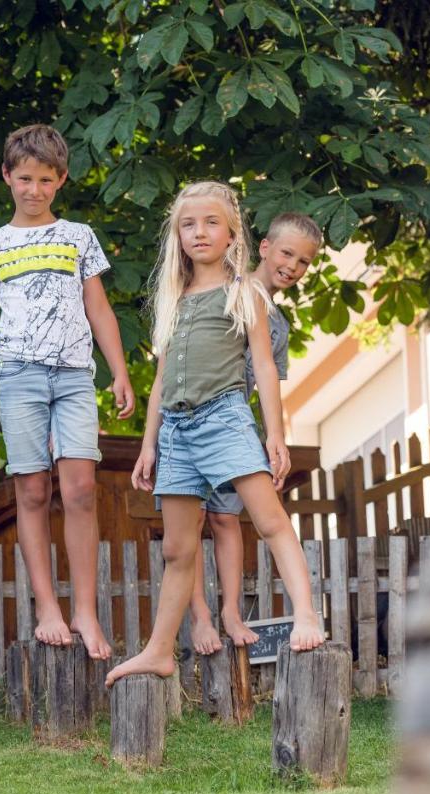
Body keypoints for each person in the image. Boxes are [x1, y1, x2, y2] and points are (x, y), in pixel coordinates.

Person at [106, 182, 325, 687]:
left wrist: (275, 434)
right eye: (188, 224)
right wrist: (148, 444)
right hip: (178, 433)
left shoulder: (244, 291)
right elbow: (161, 380)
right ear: (177, 235)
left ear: (232, 236)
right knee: (178, 550)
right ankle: (160, 651)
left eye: (210, 223)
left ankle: (307, 615)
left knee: (269, 520)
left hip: (225, 418)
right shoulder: (173, 298)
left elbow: (265, 368)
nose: (199, 232)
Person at [0, 124, 134, 660]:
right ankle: (48, 606)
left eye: (46, 180)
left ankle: (86, 611)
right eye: (24, 178)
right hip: (19, 376)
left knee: (80, 491)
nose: (34, 189)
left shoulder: (78, 237)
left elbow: (99, 309)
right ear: (7, 176)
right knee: (31, 493)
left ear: (61, 180)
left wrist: (118, 370)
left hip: (73, 377)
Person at [187, 213, 324, 656]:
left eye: (304, 262)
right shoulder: (222, 292)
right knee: (189, 524)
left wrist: (273, 438)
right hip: (192, 423)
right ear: (264, 248)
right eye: (287, 253)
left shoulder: (278, 325)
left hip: (234, 431)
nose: (293, 266)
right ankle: (200, 618)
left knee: (227, 520)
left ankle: (229, 611)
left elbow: (269, 382)